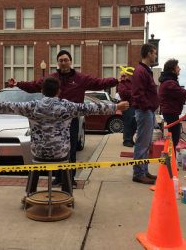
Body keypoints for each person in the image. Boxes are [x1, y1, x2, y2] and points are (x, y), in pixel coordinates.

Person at [0, 77, 129, 193]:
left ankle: (30, 193)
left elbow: (7, 106)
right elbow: (91, 108)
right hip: (60, 154)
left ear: (42, 91)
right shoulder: (67, 106)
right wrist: (116, 106)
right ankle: (67, 194)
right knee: (67, 157)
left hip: (38, 153)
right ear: (58, 91)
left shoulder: (31, 106)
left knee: (35, 160)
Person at [9, 50, 119, 187]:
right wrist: (18, 84)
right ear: (58, 63)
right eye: (60, 60)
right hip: (54, 120)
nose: (63, 62)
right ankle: (58, 177)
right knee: (56, 150)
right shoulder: (52, 78)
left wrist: (116, 80)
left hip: (71, 119)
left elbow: (99, 82)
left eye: (66, 60)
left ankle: (69, 178)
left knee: (71, 149)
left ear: (71, 62)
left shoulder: (81, 79)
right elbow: (34, 85)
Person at [130, 44, 159, 184]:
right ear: (148, 54)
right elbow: (138, 94)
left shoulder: (146, 71)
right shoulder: (140, 71)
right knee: (142, 143)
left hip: (148, 111)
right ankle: (138, 173)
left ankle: (144, 171)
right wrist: (147, 107)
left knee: (146, 144)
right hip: (144, 111)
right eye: (154, 53)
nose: (156, 56)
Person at [117, 73, 137, 147]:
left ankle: (130, 139)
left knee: (134, 123)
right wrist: (133, 92)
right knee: (128, 123)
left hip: (135, 105)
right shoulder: (122, 83)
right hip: (127, 106)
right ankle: (127, 140)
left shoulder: (133, 82)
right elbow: (123, 93)